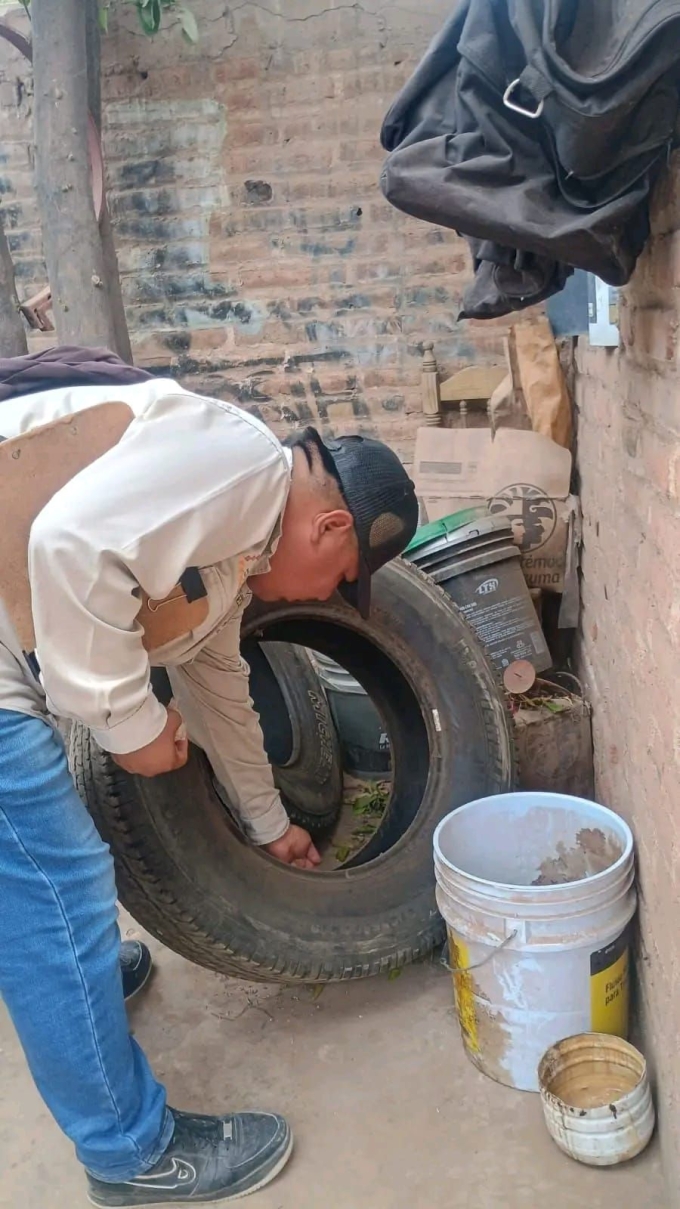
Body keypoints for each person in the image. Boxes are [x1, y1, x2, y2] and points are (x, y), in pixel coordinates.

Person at [0, 350, 418, 1206]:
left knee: (34, 891)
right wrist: (133, 727)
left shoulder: (230, 550)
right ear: (329, 527)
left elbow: (221, 692)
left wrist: (272, 826)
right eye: (340, 581)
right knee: (58, 885)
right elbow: (68, 545)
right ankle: (130, 1153)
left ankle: (66, 985)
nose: (326, 597)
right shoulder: (242, 463)